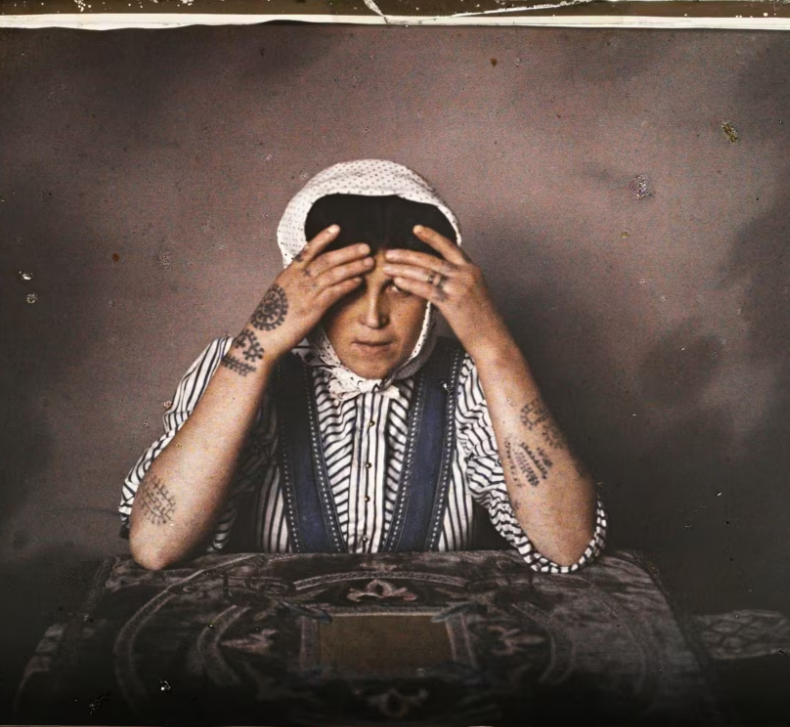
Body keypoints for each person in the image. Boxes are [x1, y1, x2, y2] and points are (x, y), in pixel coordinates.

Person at [119, 160, 607, 573]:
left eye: (400, 288)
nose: (373, 318)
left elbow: (567, 546)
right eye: (348, 288)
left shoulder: (472, 380)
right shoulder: (241, 365)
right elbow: (156, 546)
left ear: (435, 295)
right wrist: (260, 343)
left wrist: (492, 343)